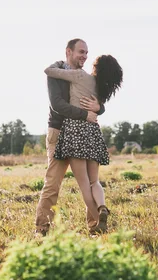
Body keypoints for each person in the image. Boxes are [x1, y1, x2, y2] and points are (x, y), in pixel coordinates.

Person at [44, 53, 123, 234]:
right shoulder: (100, 86)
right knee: (94, 181)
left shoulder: (79, 75)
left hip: (75, 130)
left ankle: (99, 222)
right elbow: (99, 107)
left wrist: (60, 62)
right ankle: (102, 207)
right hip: (93, 131)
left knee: (83, 185)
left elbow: (49, 71)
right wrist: (99, 108)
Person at [35, 38, 105, 236]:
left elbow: (98, 101)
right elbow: (57, 104)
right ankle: (42, 229)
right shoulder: (57, 74)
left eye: (86, 53)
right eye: (81, 52)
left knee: (89, 182)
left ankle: (96, 227)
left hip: (82, 134)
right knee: (53, 183)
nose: (84, 56)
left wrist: (99, 108)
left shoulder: (86, 76)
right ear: (69, 52)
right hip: (58, 132)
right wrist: (85, 114)